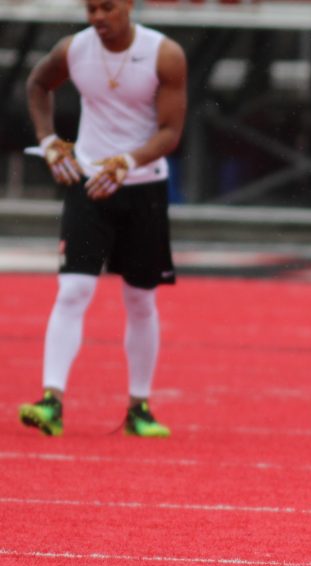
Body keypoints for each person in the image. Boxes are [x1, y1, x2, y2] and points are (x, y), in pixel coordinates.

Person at [18, 0, 187, 437]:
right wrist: (49, 139)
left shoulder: (163, 54)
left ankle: (139, 407)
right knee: (73, 289)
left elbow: (170, 132)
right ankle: (50, 400)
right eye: (91, 8)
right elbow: (37, 84)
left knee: (140, 299)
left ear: (128, 6)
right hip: (88, 183)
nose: (97, 17)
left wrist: (127, 162)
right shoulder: (74, 49)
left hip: (143, 186)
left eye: (107, 7)